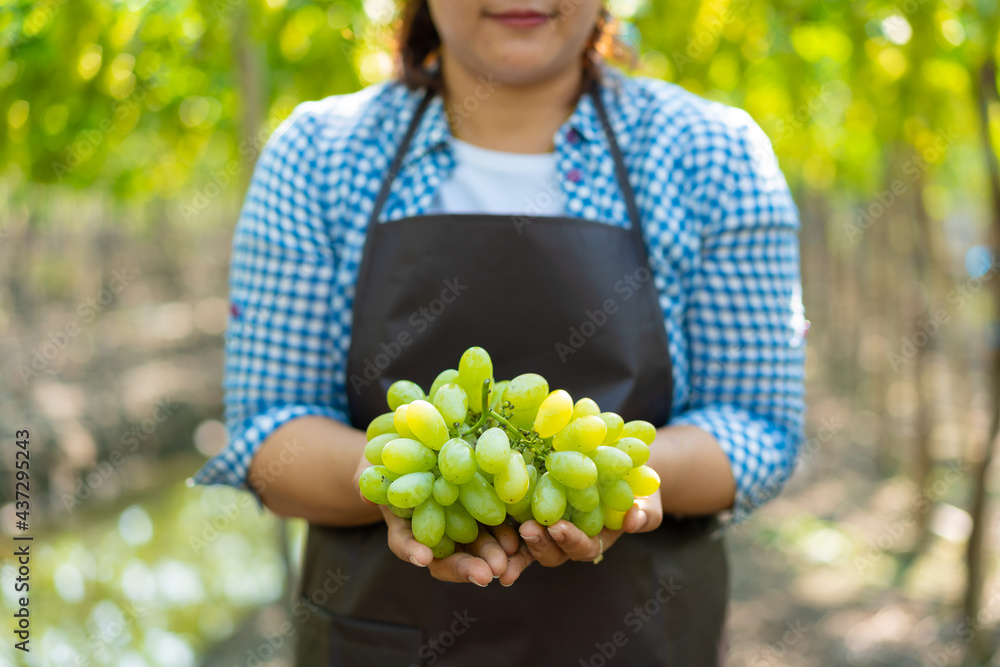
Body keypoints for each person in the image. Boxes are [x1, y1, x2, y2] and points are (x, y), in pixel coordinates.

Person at [193, 1, 807, 664]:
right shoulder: (318, 156)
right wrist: (416, 480)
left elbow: (757, 422)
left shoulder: (714, 156)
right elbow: (269, 430)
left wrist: (620, 479)